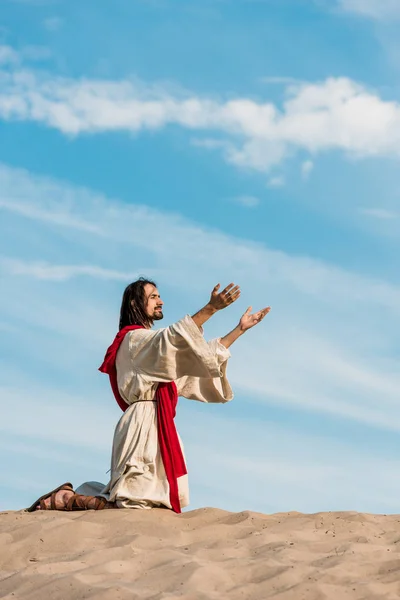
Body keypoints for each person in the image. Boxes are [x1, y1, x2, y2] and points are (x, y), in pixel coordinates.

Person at [27, 279, 270, 512]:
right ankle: (66, 499)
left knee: (153, 499)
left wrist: (239, 330)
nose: (160, 301)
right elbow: (171, 340)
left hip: (160, 422)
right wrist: (211, 308)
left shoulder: (154, 356)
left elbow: (196, 361)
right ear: (135, 304)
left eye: (159, 296)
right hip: (143, 422)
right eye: (153, 296)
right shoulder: (134, 340)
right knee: (135, 500)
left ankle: (71, 498)